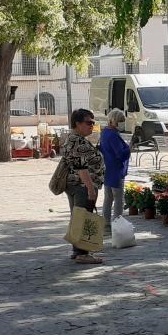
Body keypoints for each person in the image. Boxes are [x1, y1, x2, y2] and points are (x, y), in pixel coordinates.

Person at [60, 108, 104, 264]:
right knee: (83, 217)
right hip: (81, 185)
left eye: (93, 123)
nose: (91, 126)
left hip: (76, 184)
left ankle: (77, 250)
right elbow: (81, 167)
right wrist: (91, 188)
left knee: (78, 217)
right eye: (88, 123)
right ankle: (82, 253)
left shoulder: (74, 138)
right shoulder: (76, 141)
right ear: (77, 123)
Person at [99, 109, 132, 231]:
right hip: (115, 169)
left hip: (108, 168)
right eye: (121, 121)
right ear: (115, 121)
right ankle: (117, 223)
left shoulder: (105, 132)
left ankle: (106, 223)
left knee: (108, 197)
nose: (123, 123)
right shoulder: (113, 135)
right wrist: (129, 148)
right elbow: (120, 153)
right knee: (118, 198)